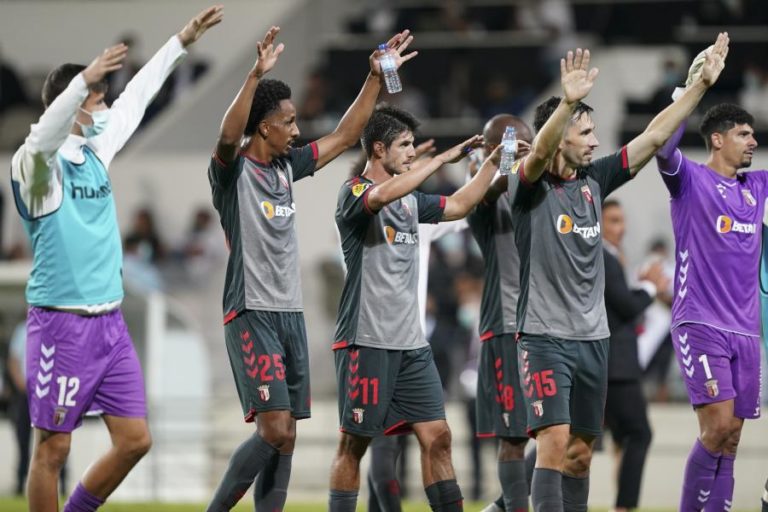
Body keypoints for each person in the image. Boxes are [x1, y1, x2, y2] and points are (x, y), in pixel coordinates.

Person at [9, 6, 222, 512]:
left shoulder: (95, 152)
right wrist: (83, 81)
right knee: (53, 448)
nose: (104, 107)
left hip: (109, 324)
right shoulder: (36, 169)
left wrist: (181, 41)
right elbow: (43, 138)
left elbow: (138, 97)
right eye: (95, 100)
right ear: (75, 102)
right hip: (62, 325)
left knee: (135, 440)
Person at [509, 34, 728, 512]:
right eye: (585, 132)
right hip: (544, 337)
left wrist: (698, 89)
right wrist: (567, 103)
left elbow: (651, 137)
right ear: (561, 134)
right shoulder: (527, 188)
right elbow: (538, 155)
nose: (595, 141)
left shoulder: (596, 180)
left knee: (581, 454)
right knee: (552, 441)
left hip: (595, 341)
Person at [205, 25, 416, 511]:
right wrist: (255, 77)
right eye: (289, 122)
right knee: (273, 428)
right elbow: (226, 133)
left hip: (290, 313)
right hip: (250, 311)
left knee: (288, 438)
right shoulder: (232, 170)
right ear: (264, 127)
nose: (297, 130)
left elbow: (345, 135)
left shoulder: (286, 166)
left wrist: (374, 80)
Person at [329, 104, 497, 512]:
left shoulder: (411, 203)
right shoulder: (354, 193)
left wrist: (493, 163)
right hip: (365, 341)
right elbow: (381, 194)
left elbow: (458, 206)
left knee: (438, 435)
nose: (410, 153)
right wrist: (437, 159)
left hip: (411, 345)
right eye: (403, 146)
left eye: (412, 146)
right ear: (378, 149)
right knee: (354, 445)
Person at [655, 50, 768, 512]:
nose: (753, 142)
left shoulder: (757, 188)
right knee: (716, 428)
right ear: (717, 139)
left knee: (733, 437)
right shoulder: (690, 182)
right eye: (744, 134)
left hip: (747, 332)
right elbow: (661, 143)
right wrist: (688, 89)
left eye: (754, 134)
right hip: (700, 323)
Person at [465, 113, 533, 512]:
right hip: (506, 325)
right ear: (492, 150)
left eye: (527, 142)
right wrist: (507, 161)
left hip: (547, 325)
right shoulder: (481, 197)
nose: (522, 149)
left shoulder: (538, 187)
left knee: (568, 431)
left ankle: (500, 508)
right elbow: (491, 190)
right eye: (510, 143)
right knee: (514, 436)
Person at [601, 199, 668, 512]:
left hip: (609, 364)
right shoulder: (602, 255)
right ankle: (624, 507)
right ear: (597, 222)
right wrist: (650, 288)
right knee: (639, 433)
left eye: (622, 220)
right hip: (617, 366)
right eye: (613, 220)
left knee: (575, 439)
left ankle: (512, 499)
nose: (621, 227)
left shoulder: (609, 256)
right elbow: (625, 307)